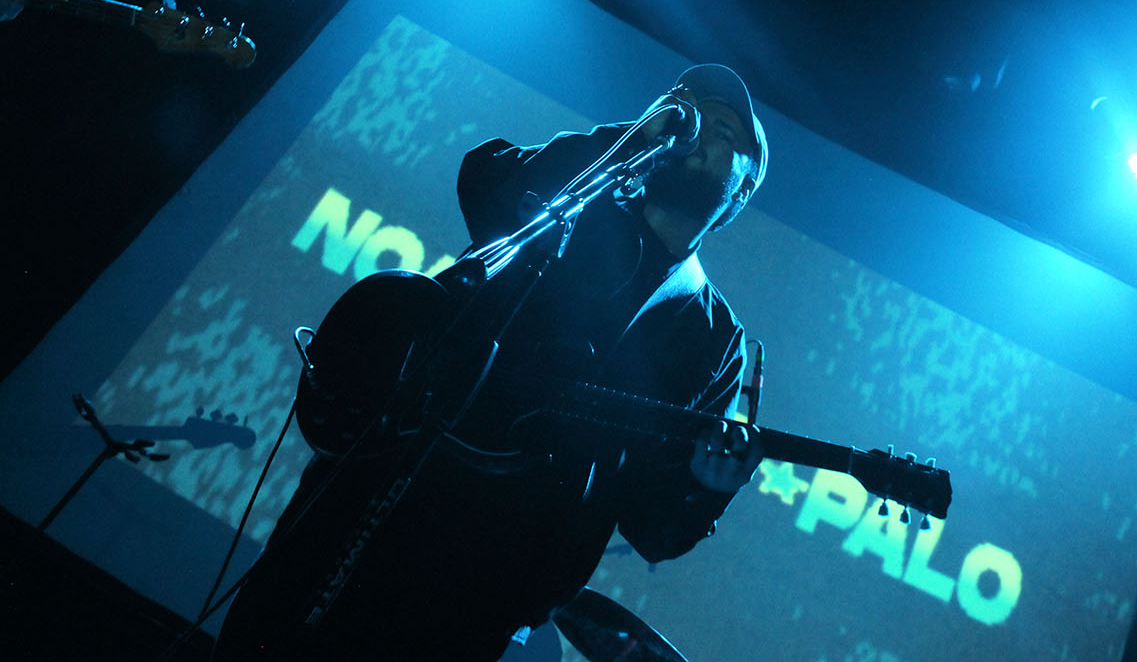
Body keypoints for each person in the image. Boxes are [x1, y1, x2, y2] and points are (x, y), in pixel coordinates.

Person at [215, 64, 770, 660]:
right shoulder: (576, 198)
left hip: (486, 581)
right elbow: (486, 180)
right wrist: (628, 139)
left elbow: (654, 527)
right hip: (377, 481)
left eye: (723, 131)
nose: (699, 128)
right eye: (688, 108)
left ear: (739, 193)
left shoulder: (714, 339)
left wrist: (707, 489)